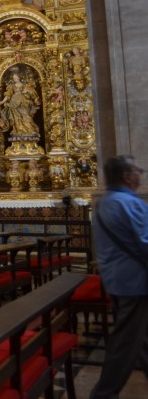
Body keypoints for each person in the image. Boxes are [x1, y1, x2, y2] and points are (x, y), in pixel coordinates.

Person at [89, 156, 148, 398]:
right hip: (135, 281)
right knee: (126, 341)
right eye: (137, 170)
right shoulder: (128, 202)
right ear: (126, 176)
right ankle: (103, 393)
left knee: (140, 336)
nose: (140, 174)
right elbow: (145, 242)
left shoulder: (105, 201)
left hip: (116, 278)